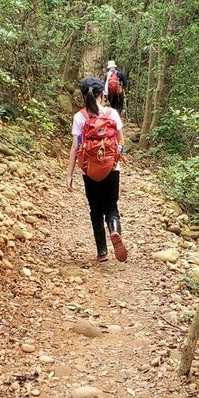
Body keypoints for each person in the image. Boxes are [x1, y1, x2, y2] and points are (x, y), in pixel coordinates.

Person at [66, 77, 128, 263]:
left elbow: (75, 148)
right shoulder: (112, 113)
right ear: (102, 94)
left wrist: (69, 174)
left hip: (89, 170)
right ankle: (115, 230)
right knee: (111, 207)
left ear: (84, 96)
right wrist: (115, 156)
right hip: (112, 168)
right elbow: (121, 142)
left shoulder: (80, 117)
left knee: (95, 210)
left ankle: (102, 252)